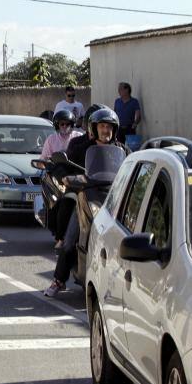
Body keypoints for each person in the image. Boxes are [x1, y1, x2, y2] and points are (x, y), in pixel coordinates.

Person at [44, 108, 130, 298]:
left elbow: (132, 172)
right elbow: (62, 166)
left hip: (114, 201)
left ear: (114, 130)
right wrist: (66, 178)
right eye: (102, 126)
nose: (105, 130)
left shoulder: (122, 150)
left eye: (109, 127)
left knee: (131, 240)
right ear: (95, 128)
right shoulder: (81, 148)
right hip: (87, 197)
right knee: (69, 242)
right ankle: (59, 280)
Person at [40, 109, 83, 250]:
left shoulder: (78, 137)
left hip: (77, 175)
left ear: (72, 124)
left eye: (67, 124)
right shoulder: (51, 140)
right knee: (62, 202)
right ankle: (60, 237)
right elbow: (43, 159)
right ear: (57, 125)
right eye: (61, 124)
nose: (64, 127)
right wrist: (46, 162)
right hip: (57, 177)